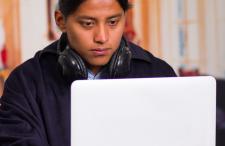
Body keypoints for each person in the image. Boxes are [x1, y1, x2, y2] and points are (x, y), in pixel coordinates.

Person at [0, 0, 176, 145]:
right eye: (88, 24)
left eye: (113, 22)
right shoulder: (25, 82)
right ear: (61, 21)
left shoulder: (160, 73)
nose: (102, 37)